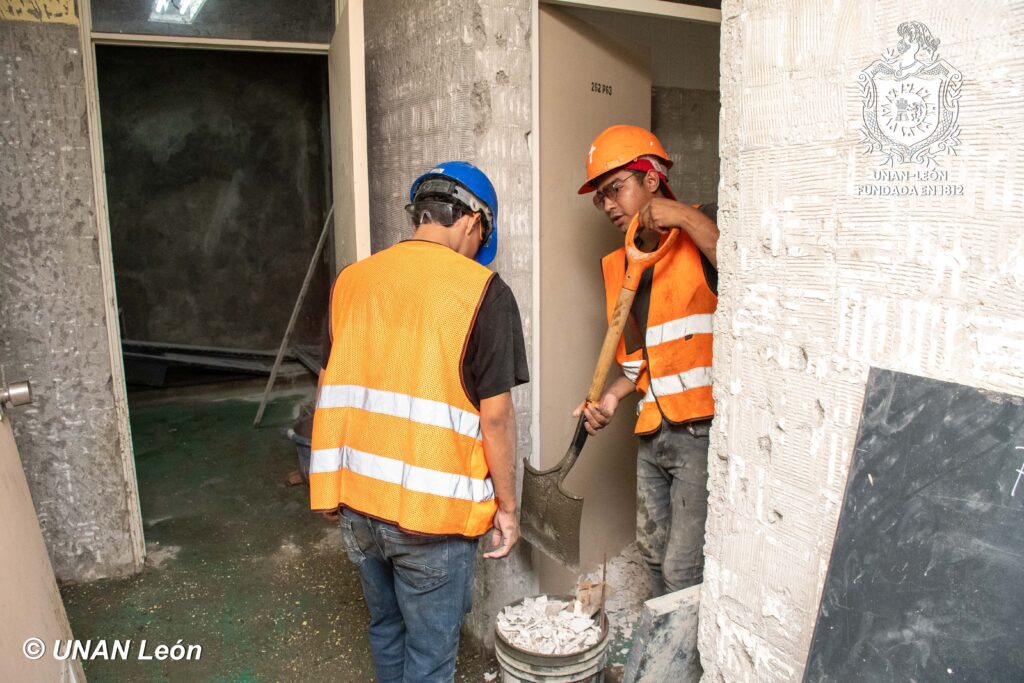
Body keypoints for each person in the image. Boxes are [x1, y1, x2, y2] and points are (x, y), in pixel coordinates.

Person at [309, 161, 529, 682]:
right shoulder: (484, 291)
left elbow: (328, 388)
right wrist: (509, 508)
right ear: (473, 222)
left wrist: (328, 483)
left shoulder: (352, 281)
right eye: (482, 238)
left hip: (359, 503)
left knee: (386, 628)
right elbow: (495, 418)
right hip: (433, 518)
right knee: (430, 659)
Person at [573, 125, 719, 597]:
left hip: (700, 431)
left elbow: (747, 271)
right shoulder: (619, 265)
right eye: (601, 198)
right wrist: (614, 396)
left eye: (615, 189)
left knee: (682, 570)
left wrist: (683, 217)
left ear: (651, 179)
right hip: (652, 431)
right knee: (653, 556)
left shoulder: (703, 228)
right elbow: (645, 359)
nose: (608, 205)